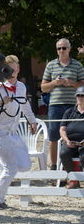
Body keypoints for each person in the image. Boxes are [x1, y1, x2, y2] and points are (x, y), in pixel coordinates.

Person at [0, 55, 37, 209]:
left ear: (18, 69)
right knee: (10, 168)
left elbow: (25, 106)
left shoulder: (21, 87)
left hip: (13, 133)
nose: (12, 71)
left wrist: (32, 121)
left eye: (14, 67)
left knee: (25, 166)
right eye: (8, 68)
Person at [41, 38, 84, 170]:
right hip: (55, 105)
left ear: (69, 49)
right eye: (59, 48)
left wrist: (71, 83)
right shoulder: (51, 65)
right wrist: (55, 83)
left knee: (76, 135)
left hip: (74, 106)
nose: (61, 51)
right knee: (53, 137)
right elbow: (43, 87)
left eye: (64, 48)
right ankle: (53, 167)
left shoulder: (77, 65)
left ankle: (72, 166)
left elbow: (83, 85)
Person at [59, 86, 84, 189]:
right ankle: (74, 180)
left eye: (83, 95)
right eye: (78, 95)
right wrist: (67, 140)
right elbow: (62, 129)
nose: (80, 97)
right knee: (64, 154)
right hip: (70, 142)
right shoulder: (69, 112)